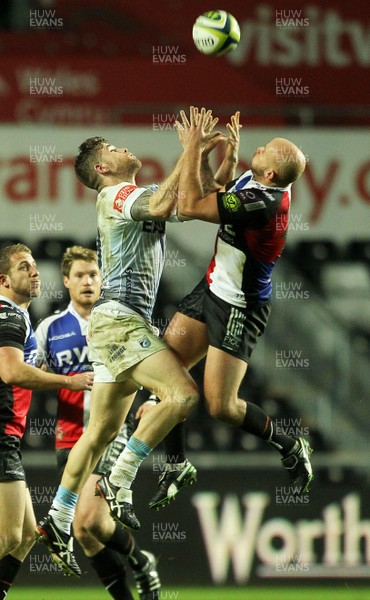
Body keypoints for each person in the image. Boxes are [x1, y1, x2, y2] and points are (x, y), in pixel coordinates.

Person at [36, 122, 234, 576]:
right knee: (182, 396)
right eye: (113, 147)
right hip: (121, 322)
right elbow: (166, 202)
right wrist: (187, 150)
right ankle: (119, 480)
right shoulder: (114, 195)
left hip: (113, 324)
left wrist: (203, 154)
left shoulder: (130, 195)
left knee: (101, 430)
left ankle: (59, 516)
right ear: (104, 167)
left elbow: (186, 200)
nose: (124, 147)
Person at [148, 107, 313, 510]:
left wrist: (190, 148)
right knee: (168, 372)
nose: (260, 148)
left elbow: (188, 207)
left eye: (267, 152)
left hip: (238, 306)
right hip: (210, 289)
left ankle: (290, 444)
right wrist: (221, 157)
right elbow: (209, 189)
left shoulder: (262, 202)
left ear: (270, 175)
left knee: (222, 407)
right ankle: (176, 465)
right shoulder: (258, 181)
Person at [36, 245, 161, 599]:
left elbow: (159, 365)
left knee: (87, 521)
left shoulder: (119, 321)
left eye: (93, 274)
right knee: (87, 530)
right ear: (66, 281)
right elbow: (29, 375)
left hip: (108, 433)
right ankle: (139, 565)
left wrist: (153, 398)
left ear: (102, 278)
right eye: (79, 275)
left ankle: (140, 561)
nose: (87, 281)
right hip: (68, 438)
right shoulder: (50, 328)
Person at [0, 243, 93, 599]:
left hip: (9, 436)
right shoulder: (7, 315)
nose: (36, 272)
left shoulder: (16, 317)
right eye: (25, 267)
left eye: (35, 265)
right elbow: (10, 372)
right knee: (8, 536)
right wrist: (69, 381)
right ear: (5, 280)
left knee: (24, 536)